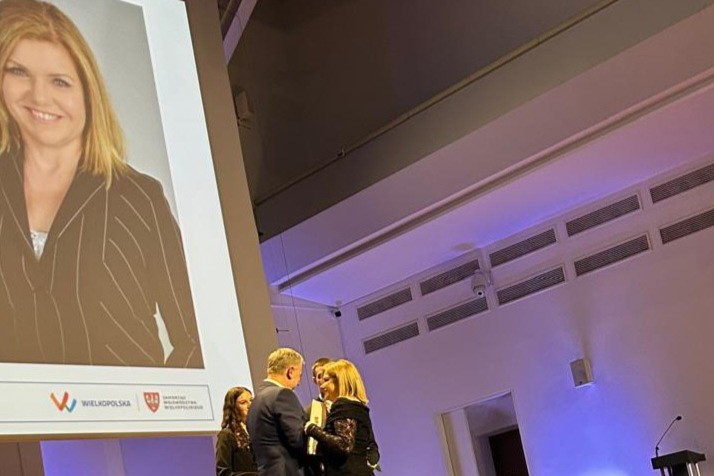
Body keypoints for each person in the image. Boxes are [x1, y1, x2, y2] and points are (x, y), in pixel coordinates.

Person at [0, 0, 202, 367]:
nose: (39, 96)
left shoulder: (139, 198)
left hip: (125, 405)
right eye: (18, 72)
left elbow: (196, 337)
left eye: (59, 81)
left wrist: (158, 398)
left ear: (88, 92)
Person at [305, 360, 380, 476]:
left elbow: (344, 444)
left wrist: (312, 429)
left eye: (326, 380)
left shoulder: (343, 406)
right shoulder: (357, 405)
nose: (322, 385)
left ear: (340, 381)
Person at [247, 347, 308, 476]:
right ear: (290, 371)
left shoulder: (257, 399)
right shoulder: (283, 394)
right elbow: (298, 440)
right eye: (300, 375)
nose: (299, 382)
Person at [216, 386, 258, 476]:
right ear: (233, 408)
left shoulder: (258, 432)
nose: (250, 405)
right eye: (243, 402)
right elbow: (223, 473)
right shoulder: (227, 435)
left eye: (251, 400)